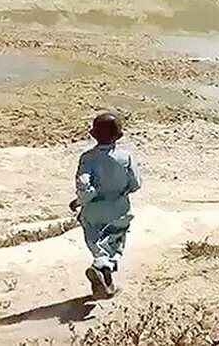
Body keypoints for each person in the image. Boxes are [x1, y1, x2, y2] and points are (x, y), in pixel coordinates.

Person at [70, 113, 141, 300]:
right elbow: (135, 184)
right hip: (119, 209)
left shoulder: (87, 158)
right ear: (120, 136)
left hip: (94, 210)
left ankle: (102, 271)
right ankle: (105, 272)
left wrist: (79, 201)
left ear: (93, 134)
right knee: (115, 241)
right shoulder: (126, 157)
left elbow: (85, 186)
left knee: (95, 241)